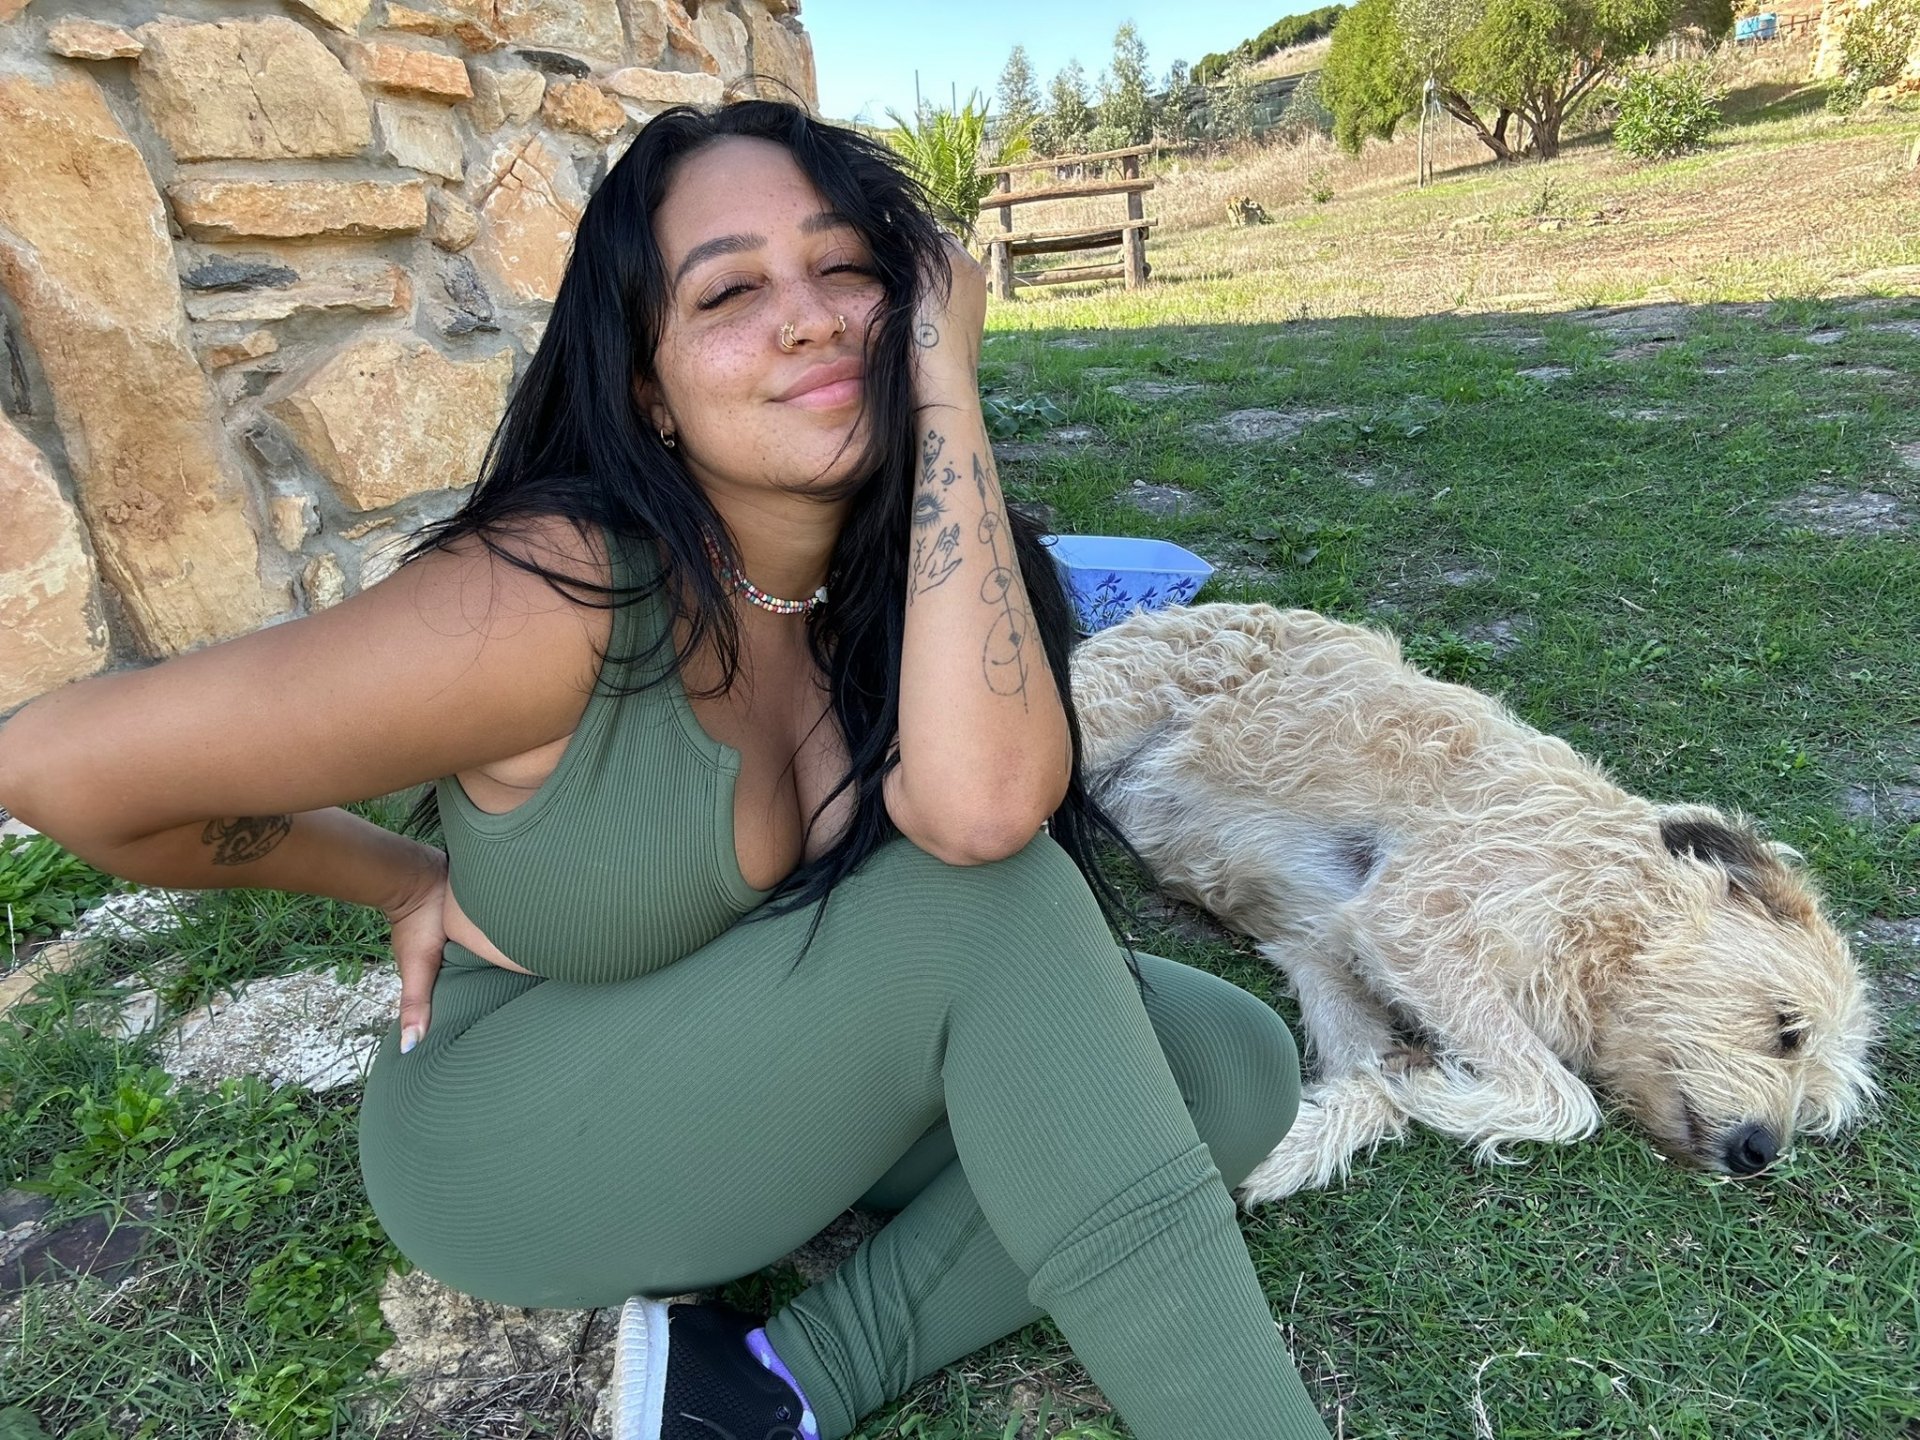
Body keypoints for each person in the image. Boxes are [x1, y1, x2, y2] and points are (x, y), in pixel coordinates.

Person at [0, 101, 1334, 1440]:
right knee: (989, 904)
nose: (809, 320)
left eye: (846, 268)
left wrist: (944, 401)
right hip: (511, 1135)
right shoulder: (555, 598)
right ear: (651, 389)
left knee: (1229, 1061)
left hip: (736, 1051)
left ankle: (779, 1383)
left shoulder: (889, 583)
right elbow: (55, 766)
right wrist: (402, 879)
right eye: (729, 292)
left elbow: (973, 791)